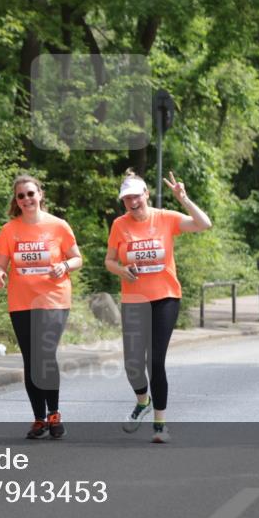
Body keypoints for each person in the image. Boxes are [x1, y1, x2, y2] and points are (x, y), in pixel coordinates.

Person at [105, 170, 212, 443]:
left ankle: (160, 425)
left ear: (146, 195)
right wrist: (121, 269)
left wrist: (184, 199)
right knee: (132, 364)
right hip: (134, 299)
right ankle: (143, 401)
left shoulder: (165, 217)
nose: (132, 202)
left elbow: (204, 224)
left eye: (136, 196)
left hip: (165, 296)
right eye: (126, 198)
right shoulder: (119, 224)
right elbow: (110, 261)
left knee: (155, 361)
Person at [0, 175, 83, 439]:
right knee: (31, 361)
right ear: (16, 201)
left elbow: (77, 258)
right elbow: (0, 263)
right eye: (21, 196)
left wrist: (64, 265)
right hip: (21, 301)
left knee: (44, 354)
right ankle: (38, 419)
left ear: (40, 194)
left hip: (54, 299)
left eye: (30, 193)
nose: (26, 199)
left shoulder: (58, 226)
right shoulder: (10, 230)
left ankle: (54, 414)